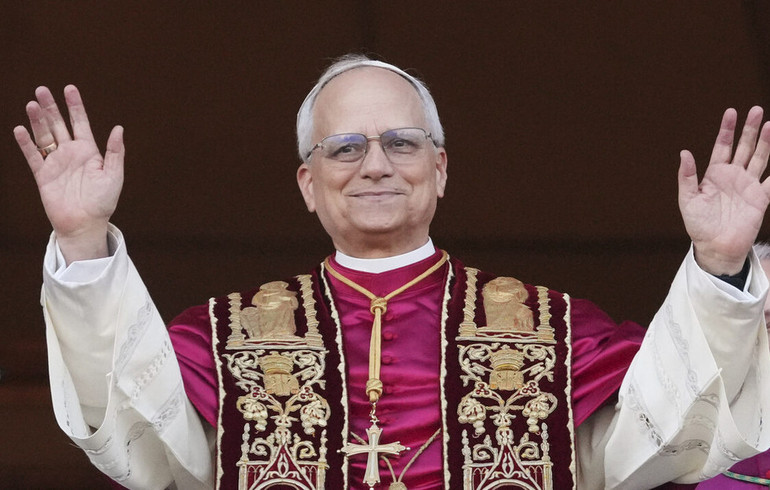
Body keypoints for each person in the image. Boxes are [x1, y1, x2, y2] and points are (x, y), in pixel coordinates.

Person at [12, 54, 770, 489]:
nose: (375, 165)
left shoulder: (554, 328)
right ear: (308, 184)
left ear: (440, 170)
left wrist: (720, 264)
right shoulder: (226, 336)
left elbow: (663, 431)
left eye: (401, 143)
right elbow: (138, 434)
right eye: (344, 148)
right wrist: (83, 241)